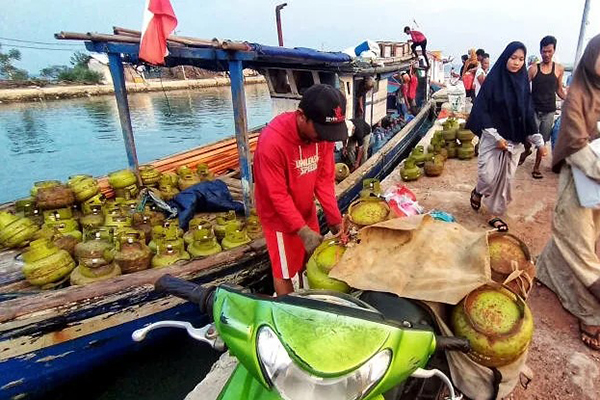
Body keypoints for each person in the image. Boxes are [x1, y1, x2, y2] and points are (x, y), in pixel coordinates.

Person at [536, 34, 600, 351]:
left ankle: (547, 271)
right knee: (579, 241)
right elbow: (575, 144)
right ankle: (590, 311)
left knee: (590, 236)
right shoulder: (579, 95)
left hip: (598, 184)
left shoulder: (565, 74)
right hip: (579, 178)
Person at [253, 84, 346, 296]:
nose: (324, 138)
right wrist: (302, 231)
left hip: (305, 209)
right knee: (284, 271)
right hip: (278, 217)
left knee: (310, 262)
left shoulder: (323, 136)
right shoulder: (272, 142)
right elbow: (277, 195)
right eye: (321, 131)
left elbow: (324, 180)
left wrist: (334, 219)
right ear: (301, 116)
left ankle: (307, 301)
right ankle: (289, 314)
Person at [467, 42, 546, 231]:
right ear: (505, 58)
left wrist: (539, 142)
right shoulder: (494, 80)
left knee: (505, 180)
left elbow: (527, 112)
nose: (517, 63)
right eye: (513, 58)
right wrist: (496, 137)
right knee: (487, 177)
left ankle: (494, 214)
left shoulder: (522, 84)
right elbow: (482, 109)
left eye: (521, 59)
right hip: (492, 136)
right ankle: (478, 191)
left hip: (513, 141)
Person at [520, 35, 567, 179]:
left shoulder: (559, 69)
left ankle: (536, 167)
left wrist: (570, 99)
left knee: (543, 140)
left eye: (549, 51)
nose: (546, 54)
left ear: (554, 51)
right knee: (528, 137)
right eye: (544, 51)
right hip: (533, 109)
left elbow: (559, 90)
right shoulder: (533, 69)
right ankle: (527, 150)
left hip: (549, 111)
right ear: (540, 51)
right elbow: (523, 88)